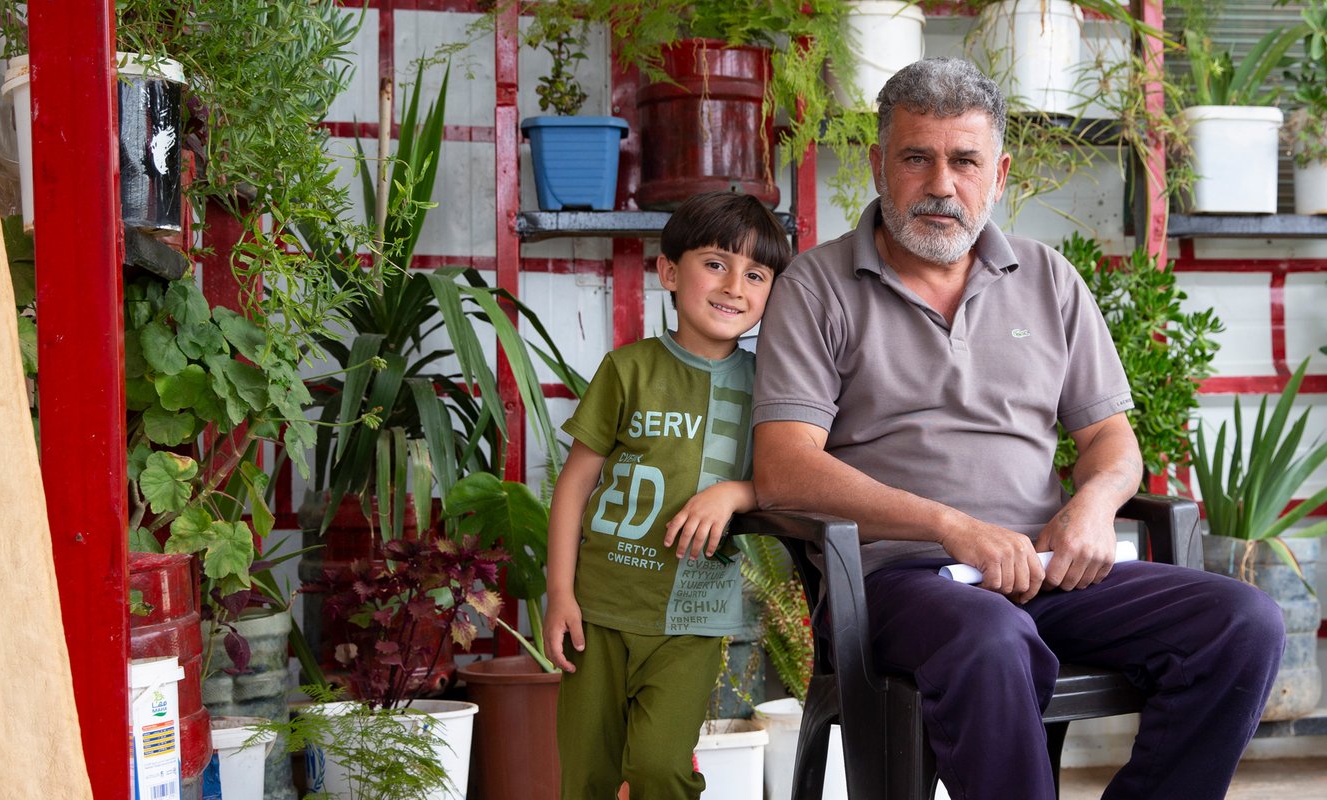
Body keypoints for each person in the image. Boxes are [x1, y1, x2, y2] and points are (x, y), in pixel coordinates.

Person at [751, 58, 1284, 800]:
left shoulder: (1048, 278)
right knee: (991, 639)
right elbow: (783, 467)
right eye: (917, 158)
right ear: (878, 164)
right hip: (903, 583)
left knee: (1243, 623)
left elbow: (1111, 441)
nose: (942, 184)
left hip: (1045, 571)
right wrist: (950, 526)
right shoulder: (817, 287)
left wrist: (1092, 507)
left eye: (964, 160)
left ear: (998, 173)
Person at [545, 190, 792, 799]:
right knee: (588, 775)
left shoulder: (771, 386)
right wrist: (558, 592)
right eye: (715, 263)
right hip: (598, 607)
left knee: (658, 765)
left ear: (770, 293)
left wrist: (735, 492)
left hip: (694, 616)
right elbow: (575, 482)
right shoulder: (627, 369)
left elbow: (792, 482)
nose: (734, 285)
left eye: (755, 274)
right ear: (668, 272)